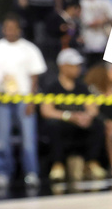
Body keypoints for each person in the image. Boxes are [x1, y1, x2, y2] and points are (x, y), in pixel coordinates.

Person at [0, 16, 46, 190]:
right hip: (1, 98)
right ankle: (2, 173)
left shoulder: (29, 49)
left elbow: (34, 77)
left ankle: (31, 173)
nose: (10, 31)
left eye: (13, 27)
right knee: (1, 139)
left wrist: (32, 101)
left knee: (28, 139)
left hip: (23, 98)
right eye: (7, 27)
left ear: (19, 29)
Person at [40, 48, 104, 182]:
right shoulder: (53, 87)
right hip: (63, 124)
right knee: (53, 125)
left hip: (80, 124)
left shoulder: (82, 87)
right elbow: (46, 111)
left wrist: (86, 116)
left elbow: (93, 109)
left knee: (98, 123)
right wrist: (69, 116)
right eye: (74, 65)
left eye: (78, 65)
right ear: (63, 66)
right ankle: (58, 165)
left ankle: (91, 162)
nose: (78, 69)